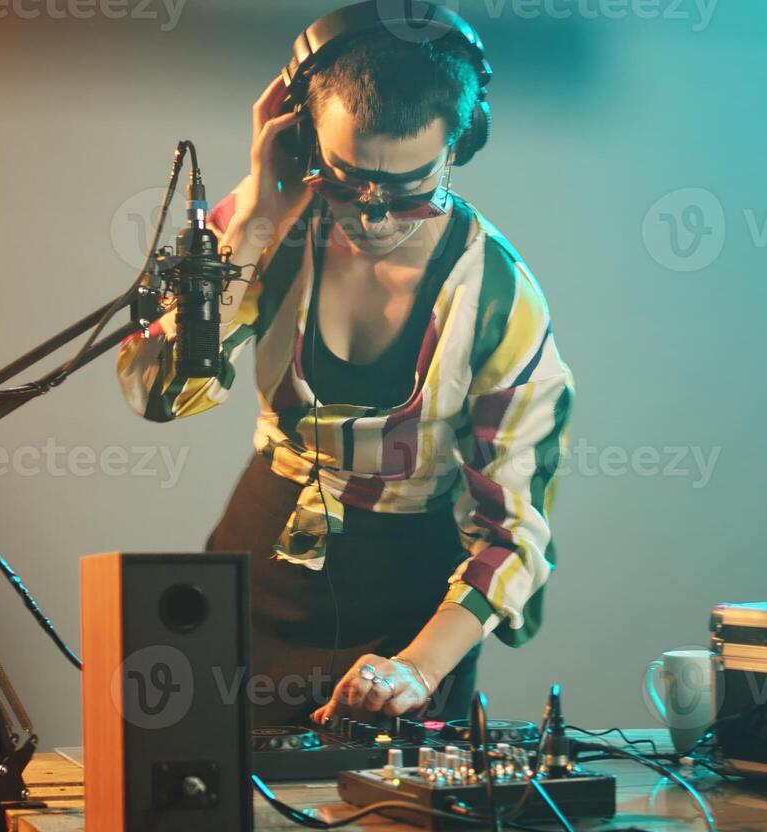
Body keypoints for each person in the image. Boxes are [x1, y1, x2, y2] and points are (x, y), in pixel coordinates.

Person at [116, 6, 572, 727]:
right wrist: (261, 210)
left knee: (396, 824)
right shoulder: (258, 224)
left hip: (409, 610)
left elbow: (514, 535)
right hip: (255, 571)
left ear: (461, 144)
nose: (375, 216)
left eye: (409, 191)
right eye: (345, 179)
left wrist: (415, 670)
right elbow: (158, 391)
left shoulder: (497, 300)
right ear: (299, 132)